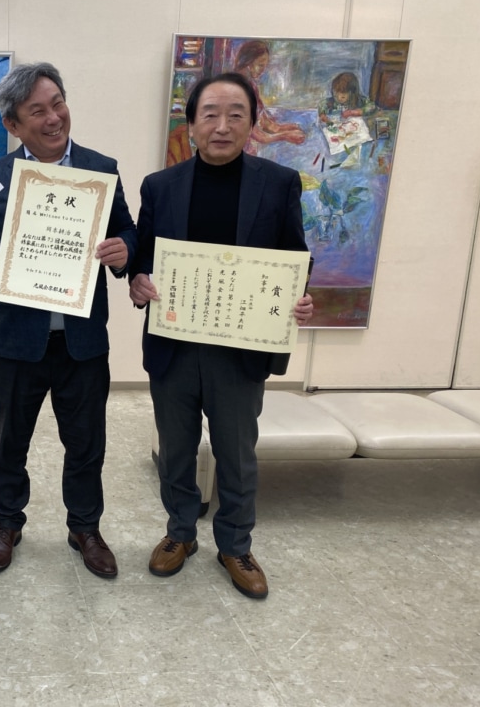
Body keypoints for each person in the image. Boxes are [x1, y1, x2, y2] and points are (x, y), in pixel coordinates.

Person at [0, 62, 137, 578]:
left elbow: (128, 231)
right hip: (18, 341)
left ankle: (85, 527)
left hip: (82, 342)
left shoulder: (101, 168)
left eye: (58, 103)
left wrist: (125, 250)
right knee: (9, 442)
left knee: (87, 443)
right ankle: (6, 523)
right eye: (38, 111)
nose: (54, 117)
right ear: (13, 124)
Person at [129, 73, 314, 600]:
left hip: (240, 350)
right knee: (176, 450)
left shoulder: (278, 183)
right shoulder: (159, 186)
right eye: (210, 114)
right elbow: (144, 256)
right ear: (191, 125)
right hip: (174, 346)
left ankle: (235, 544)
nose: (222, 125)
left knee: (236, 454)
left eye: (236, 114)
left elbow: (294, 255)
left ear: (253, 124)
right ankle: (180, 533)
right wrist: (138, 281)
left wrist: (300, 293)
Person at [233, 40, 306, 149]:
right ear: (248, 63)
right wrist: (285, 136)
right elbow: (258, 135)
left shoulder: (252, 86)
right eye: (260, 65)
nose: (263, 70)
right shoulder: (236, 91)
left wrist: (285, 128)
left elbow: (265, 123)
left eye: (265, 66)